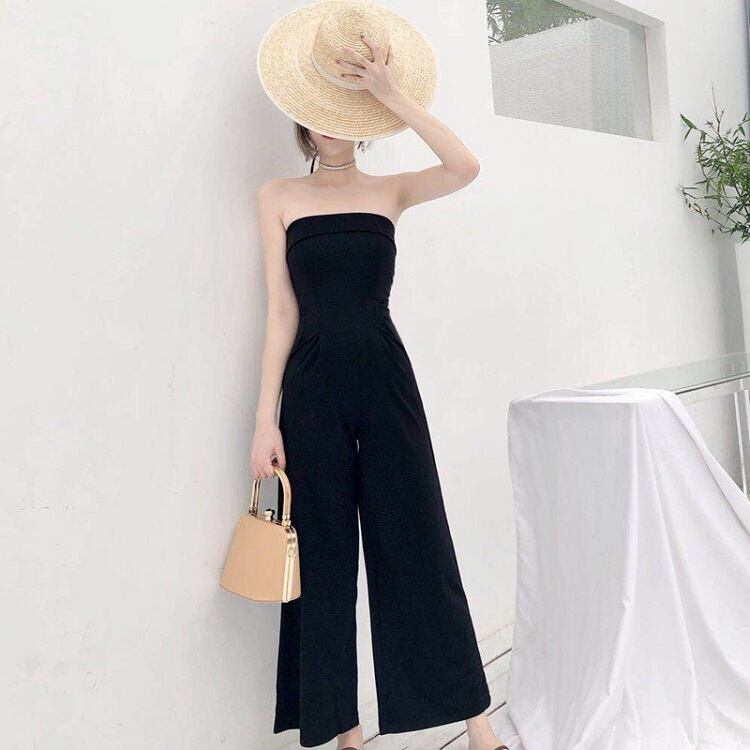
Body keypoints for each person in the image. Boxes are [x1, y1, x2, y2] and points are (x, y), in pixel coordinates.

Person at [252, 2, 508, 749]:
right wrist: (264, 420)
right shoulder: (277, 197)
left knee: (418, 537)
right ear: (301, 120)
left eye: (343, 109)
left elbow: (465, 167)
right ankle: (346, 735)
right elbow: (280, 312)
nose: (329, 126)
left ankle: (478, 725)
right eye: (317, 111)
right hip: (311, 385)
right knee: (323, 551)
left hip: (385, 375)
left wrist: (394, 94)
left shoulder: (390, 191)